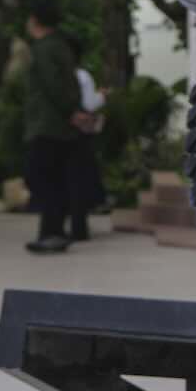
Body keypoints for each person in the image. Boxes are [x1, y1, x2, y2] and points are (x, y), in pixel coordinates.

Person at [21, 0, 84, 253]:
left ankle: (53, 232)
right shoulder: (60, 45)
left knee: (40, 177)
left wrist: (69, 110)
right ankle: (53, 232)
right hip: (57, 125)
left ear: (35, 20)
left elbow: (53, 85)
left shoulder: (44, 48)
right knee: (53, 179)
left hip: (47, 124)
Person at [63, 34, 108, 241]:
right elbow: (89, 104)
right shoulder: (82, 75)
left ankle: (59, 225)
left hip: (59, 133)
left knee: (63, 181)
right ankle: (79, 228)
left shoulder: (56, 75)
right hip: (79, 135)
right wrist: (102, 96)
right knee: (78, 180)